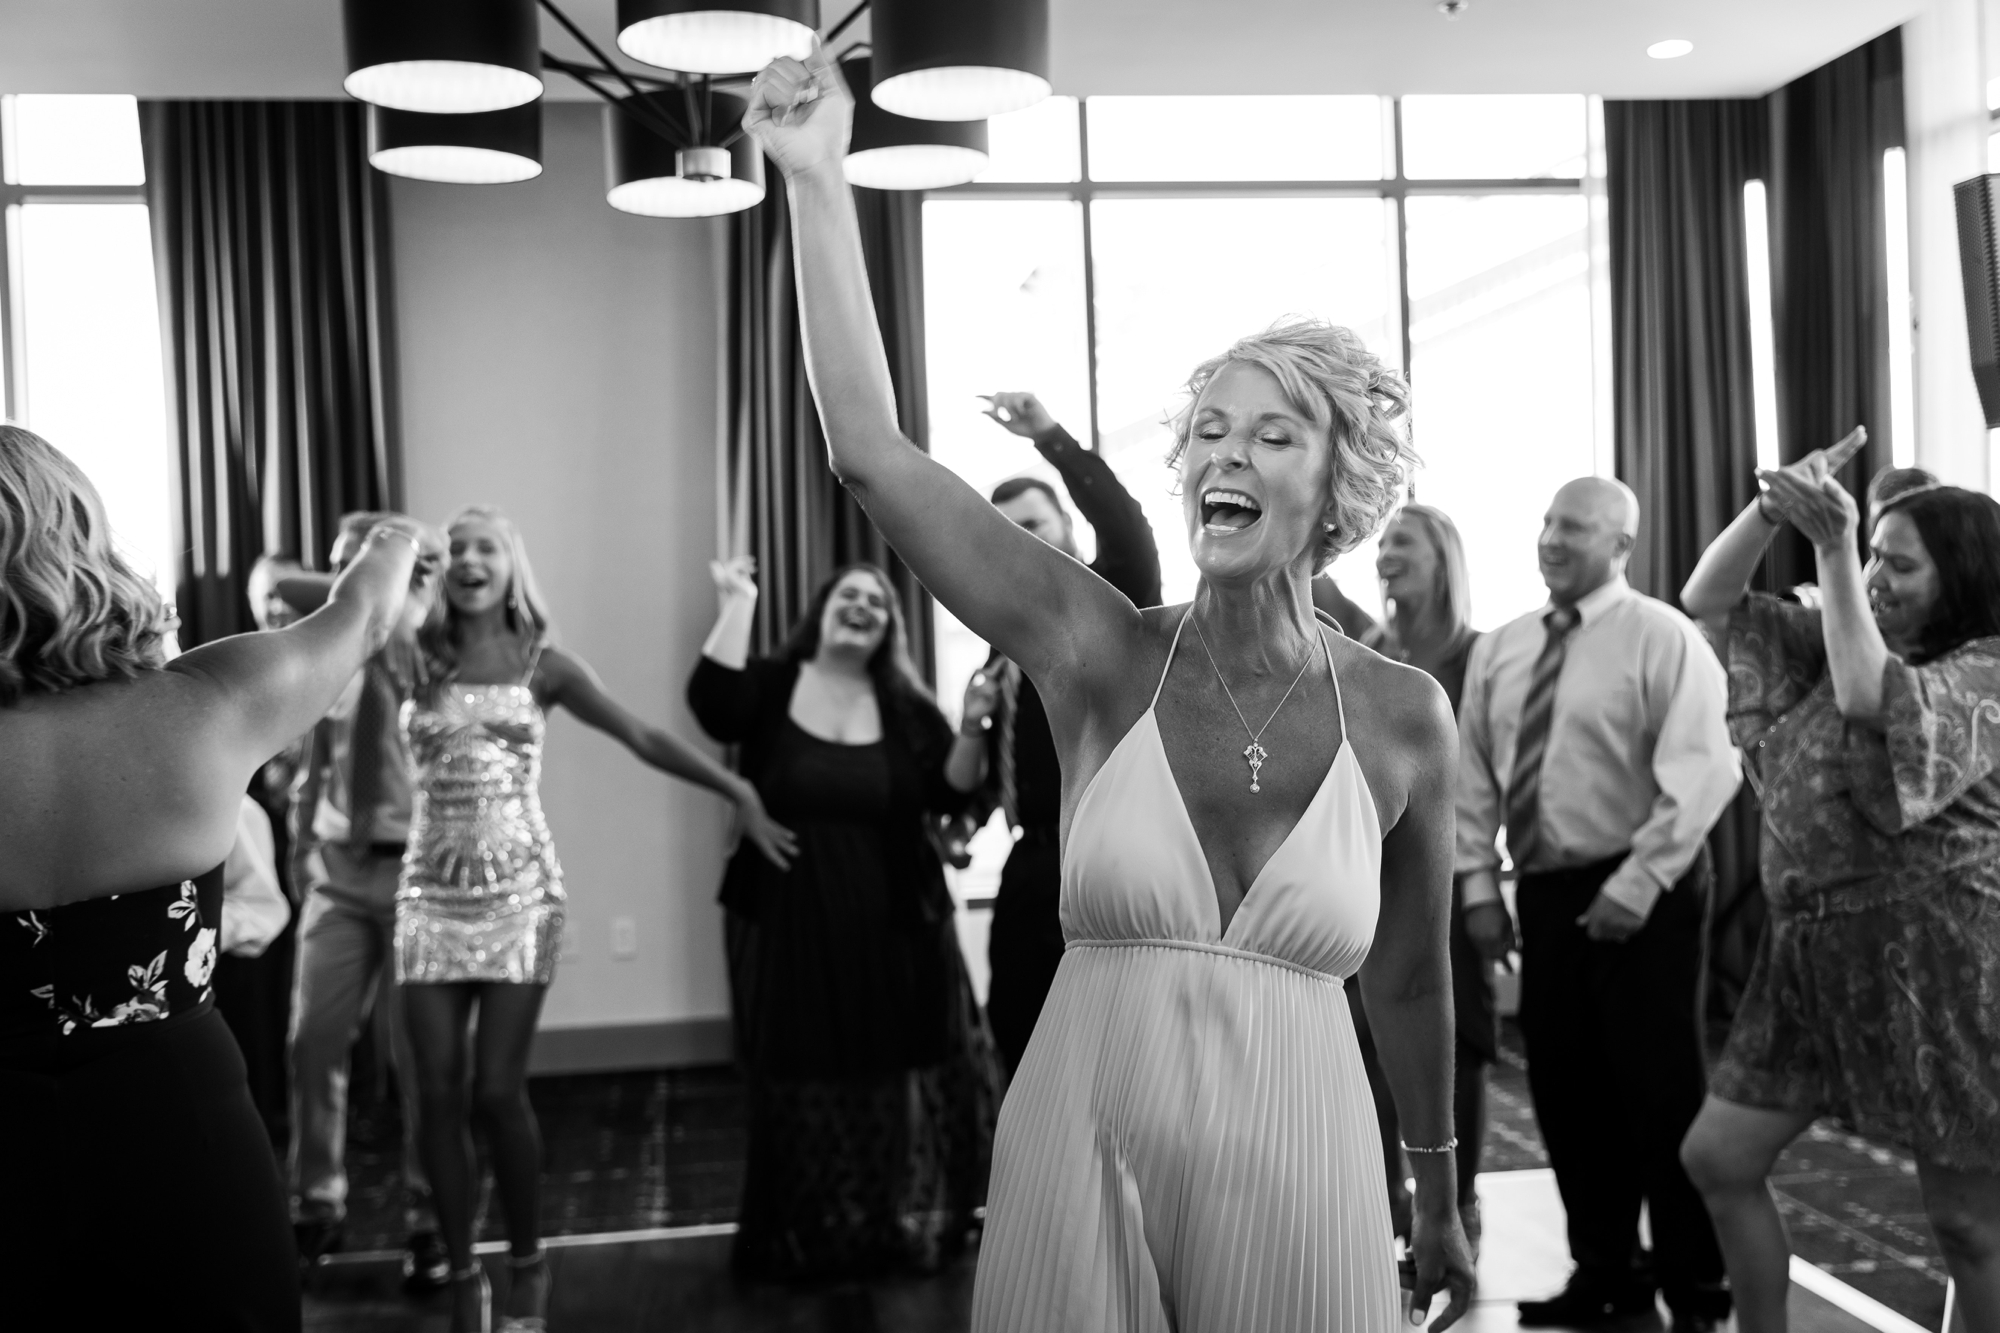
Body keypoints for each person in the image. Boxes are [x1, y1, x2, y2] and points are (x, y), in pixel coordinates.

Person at [743, 54, 1476, 1331]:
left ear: (1337, 490)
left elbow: (1411, 980)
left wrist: (1438, 1192)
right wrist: (814, 181)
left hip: (1305, 1153)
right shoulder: (1097, 651)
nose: (1224, 454)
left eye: (1271, 434)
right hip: (1086, 1136)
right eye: (1208, 430)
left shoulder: (1403, 713)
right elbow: (870, 454)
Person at [0, 424, 424, 1330]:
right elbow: (364, 614)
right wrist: (394, 540)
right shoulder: (212, 701)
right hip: (180, 1126)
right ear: (81, 539)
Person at [400, 505, 793, 1333]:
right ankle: (464, 1273)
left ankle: (527, 1263)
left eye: (485, 546)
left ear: (512, 564)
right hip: (427, 895)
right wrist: (405, 554)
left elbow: (642, 736)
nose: (469, 558)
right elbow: (291, 593)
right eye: (455, 547)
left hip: (522, 894)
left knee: (495, 1089)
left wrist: (737, 788)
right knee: (435, 1093)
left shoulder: (544, 665)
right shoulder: (411, 655)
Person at [1678, 455, 2000, 1333]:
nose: (1875, 576)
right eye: (1873, 555)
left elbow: (1871, 698)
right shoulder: (1840, 634)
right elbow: (1707, 599)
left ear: (1961, 576)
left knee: (1968, 1224)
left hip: (1943, 966)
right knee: (1719, 1157)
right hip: (1810, 960)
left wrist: (1835, 546)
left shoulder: (1987, 666)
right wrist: (1767, 511)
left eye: (1901, 563)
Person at [1456, 476, 1740, 1331]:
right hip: (1545, 889)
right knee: (1565, 1089)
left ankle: (1695, 1285)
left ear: (1621, 546)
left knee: (1662, 1095)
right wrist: (1480, 887)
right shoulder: (1503, 647)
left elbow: (1706, 769)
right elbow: (1472, 778)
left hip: (1649, 883)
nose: (1552, 538)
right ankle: (1605, 1270)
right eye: (1548, 522)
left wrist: (1636, 885)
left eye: (1575, 528)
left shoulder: (1664, 635)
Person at [691, 557, 1002, 1279]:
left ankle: (887, 1220)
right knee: (800, 1072)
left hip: (895, 920)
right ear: (822, 611)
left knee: (889, 1075)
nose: (862, 606)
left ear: (890, 627)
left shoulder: (904, 706)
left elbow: (949, 792)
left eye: (877, 601)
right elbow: (714, 704)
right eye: (848, 595)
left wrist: (973, 726)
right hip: (795, 921)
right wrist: (739, 601)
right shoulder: (773, 684)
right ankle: (806, 1227)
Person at [945, 390, 1161, 1076]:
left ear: (1067, 525)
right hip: (1031, 864)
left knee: (1117, 1053)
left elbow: (1128, 530)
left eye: (1035, 523)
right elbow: (997, 778)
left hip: (1114, 856)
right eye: (1008, 532)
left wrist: (1050, 437)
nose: (1025, 541)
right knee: (1017, 1034)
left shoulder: (1113, 602)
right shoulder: (1001, 643)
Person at [284, 512, 448, 1285]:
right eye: (341, 562)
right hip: (338, 872)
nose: (351, 577)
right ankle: (316, 1200)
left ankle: (429, 1216)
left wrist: (401, 583)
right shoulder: (325, 650)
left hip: (418, 871)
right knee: (312, 1040)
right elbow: (314, 763)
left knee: (417, 1055)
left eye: (363, 561)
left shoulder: (427, 638)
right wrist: (300, 846)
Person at [1349, 504, 1504, 1252]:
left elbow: (1489, 779)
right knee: (1368, 1047)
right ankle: (1384, 1204)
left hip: (1446, 876)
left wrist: (1483, 886)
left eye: (1402, 541)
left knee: (1456, 1045)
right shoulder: (1367, 656)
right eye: (1381, 542)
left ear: (1443, 560)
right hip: (1367, 879)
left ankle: (1457, 1202)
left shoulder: (1480, 657)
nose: (1386, 553)